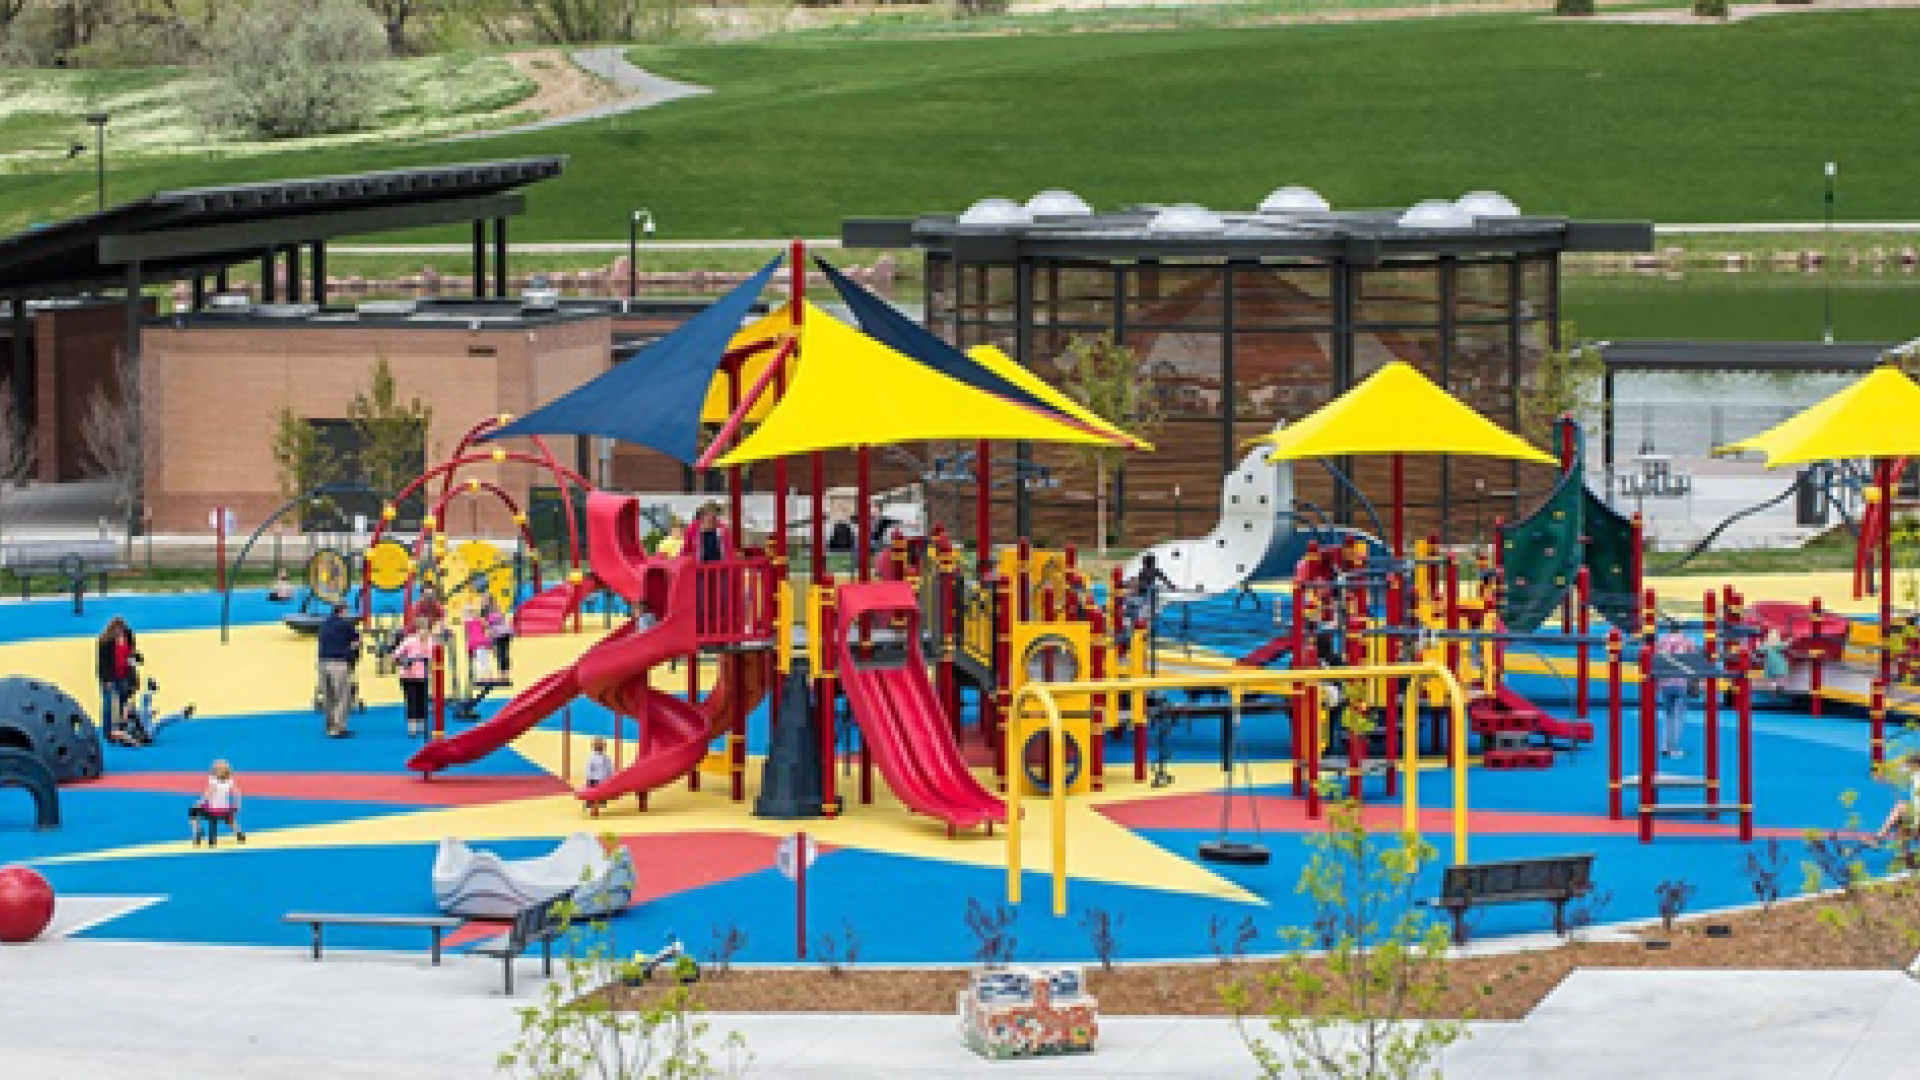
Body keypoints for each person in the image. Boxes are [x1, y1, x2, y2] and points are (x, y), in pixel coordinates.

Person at [1654, 618, 1698, 759]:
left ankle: (1664, 746)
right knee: (1678, 717)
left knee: (1667, 716)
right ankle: (1673, 748)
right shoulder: (1688, 642)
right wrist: (1695, 683)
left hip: (1664, 682)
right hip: (1680, 682)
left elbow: (1656, 662)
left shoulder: (1661, 642)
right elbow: (1694, 663)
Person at [316, 603, 361, 738]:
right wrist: (354, 653)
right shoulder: (346, 625)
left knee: (328, 696)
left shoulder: (324, 624)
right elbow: (356, 642)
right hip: (339, 663)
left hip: (323, 662)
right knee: (343, 696)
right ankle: (338, 727)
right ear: (342, 611)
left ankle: (330, 726)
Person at [392, 616, 436, 739]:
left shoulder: (431, 642)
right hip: (408, 676)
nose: (423, 631)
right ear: (417, 629)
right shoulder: (409, 641)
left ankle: (421, 725)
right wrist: (404, 660)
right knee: (411, 700)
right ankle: (412, 727)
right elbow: (395, 655)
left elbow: (435, 656)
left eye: (426, 628)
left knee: (422, 700)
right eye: (421, 628)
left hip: (423, 676)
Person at [188, 759, 245, 845]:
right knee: (230, 819)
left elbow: (208, 793)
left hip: (213, 809)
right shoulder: (230, 781)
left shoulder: (213, 781)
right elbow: (237, 793)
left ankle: (197, 831)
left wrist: (199, 802)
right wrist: (238, 805)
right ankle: (239, 833)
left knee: (193, 811)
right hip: (226, 809)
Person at [1873, 752, 1920, 848]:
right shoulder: (1914, 773)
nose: (1907, 767)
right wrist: (1885, 778)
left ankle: (1879, 837)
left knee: (1901, 807)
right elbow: (1899, 771)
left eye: (1910, 765)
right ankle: (1906, 853)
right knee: (1901, 819)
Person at [1123, 553, 1176, 629]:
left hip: (1144, 593)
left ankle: (1132, 620)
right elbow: (1164, 579)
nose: (1143, 565)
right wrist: (1171, 586)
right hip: (1142, 593)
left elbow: (1164, 579)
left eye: (1144, 563)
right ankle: (1131, 618)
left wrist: (1170, 585)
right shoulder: (1147, 571)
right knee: (1134, 605)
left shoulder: (1149, 571)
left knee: (1136, 607)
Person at [465, 602, 500, 686]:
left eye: (470, 611)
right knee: (483, 660)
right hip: (480, 643)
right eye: (469, 611)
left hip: (479, 643)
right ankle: (487, 677)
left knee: (482, 661)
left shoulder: (472, 621)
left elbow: (468, 634)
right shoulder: (475, 620)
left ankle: (485, 678)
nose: (470, 613)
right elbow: (469, 634)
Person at [583, 737, 615, 810]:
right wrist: (589, 778)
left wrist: (611, 778)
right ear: (594, 746)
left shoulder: (606, 758)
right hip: (595, 779)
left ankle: (601, 801)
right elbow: (589, 769)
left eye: (601, 745)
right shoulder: (592, 757)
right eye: (597, 745)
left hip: (604, 780)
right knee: (592, 787)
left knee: (602, 789)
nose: (599, 747)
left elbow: (610, 769)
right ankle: (590, 802)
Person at [489, 599, 515, 684]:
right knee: (503, 655)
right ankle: (504, 676)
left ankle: (504, 676)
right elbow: (492, 627)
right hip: (503, 635)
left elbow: (492, 626)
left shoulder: (497, 615)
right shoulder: (501, 614)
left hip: (502, 635)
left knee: (502, 655)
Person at [1759, 626, 1790, 694]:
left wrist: (1758, 644)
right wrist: (1789, 640)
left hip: (1769, 664)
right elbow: (1785, 646)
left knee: (1772, 678)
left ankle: (1774, 689)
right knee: (1780, 676)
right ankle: (1780, 688)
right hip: (1779, 664)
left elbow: (1760, 650)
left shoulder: (1766, 646)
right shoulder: (1777, 645)